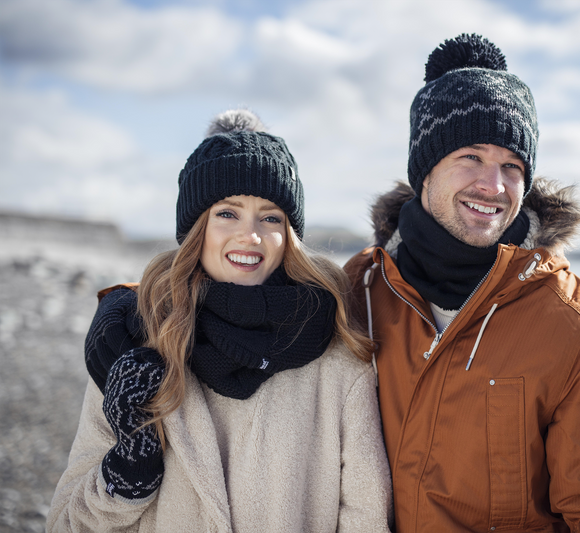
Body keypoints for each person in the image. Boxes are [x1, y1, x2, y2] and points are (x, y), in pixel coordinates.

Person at [344, 34, 580, 532]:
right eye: (471, 156)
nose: (494, 186)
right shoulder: (358, 290)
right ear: (424, 169)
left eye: (512, 166)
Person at [48, 110, 393, 532]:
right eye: (227, 213)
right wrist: (128, 474)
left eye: (270, 217)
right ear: (198, 228)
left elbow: (365, 518)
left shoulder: (335, 353)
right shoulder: (135, 342)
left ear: (289, 236)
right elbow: (66, 523)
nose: (250, 235)